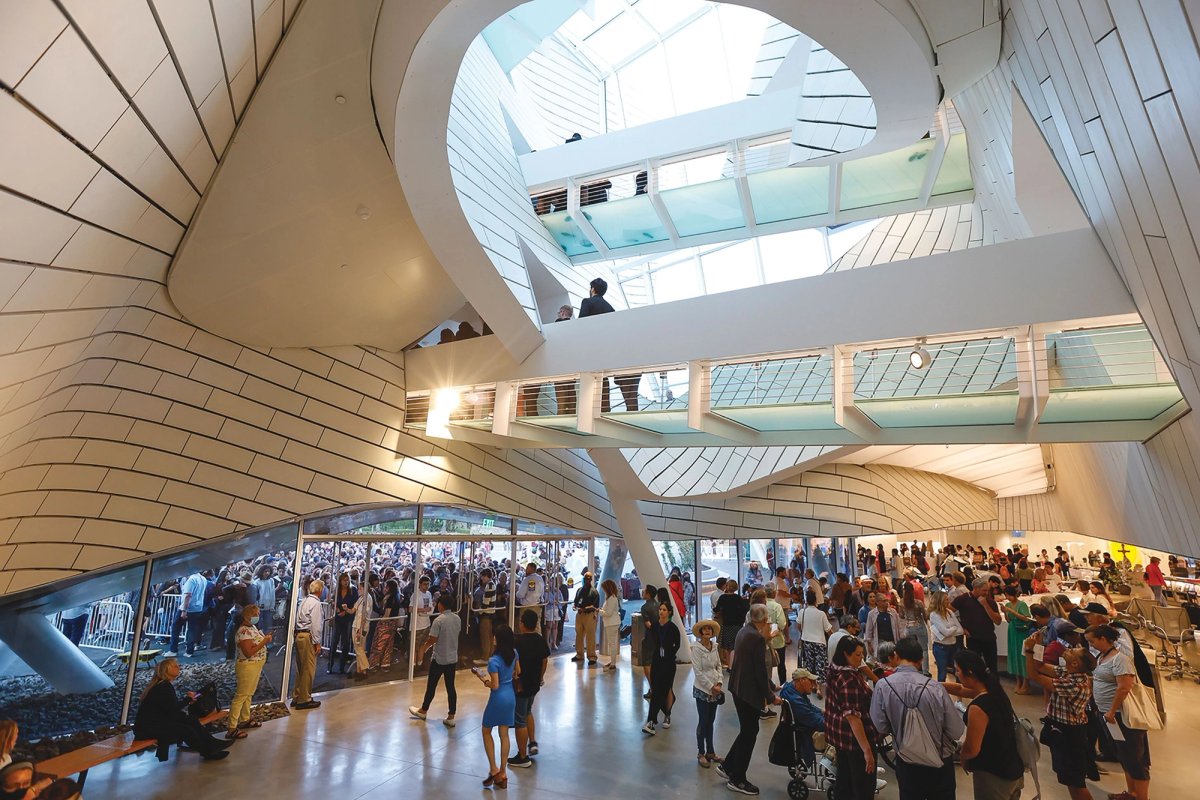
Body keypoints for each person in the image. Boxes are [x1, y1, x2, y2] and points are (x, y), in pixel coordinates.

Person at [869, 636, 964, 800]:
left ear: (896, 656)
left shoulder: (883, 686)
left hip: (907, 761)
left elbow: (880, 726)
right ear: (920, 660)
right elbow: (956, 730)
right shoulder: (935, 688)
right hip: (939, 761)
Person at [1022, 632, 1096, 800]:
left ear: (1075, 663)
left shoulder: (1073, 683)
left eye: (1072, 652)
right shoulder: (1069, 673)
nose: (1069, 649)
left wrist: (1028, 650)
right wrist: (1038, 646)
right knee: (1069, 780)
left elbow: (1034, 675)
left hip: (1070, 735)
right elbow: (1040, 666)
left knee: (1076, 783)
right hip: (1064, 730)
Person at [717, 604, 778, 796]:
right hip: (748, 693)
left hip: (738, 688)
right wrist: (770, 696)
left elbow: (751, 664)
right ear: (762, 620)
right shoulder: (757, 638)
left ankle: (728, 766)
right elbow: (759, 670)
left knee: (747, 730)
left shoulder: (744, 631)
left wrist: (771, 685)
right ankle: (738, 778)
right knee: (750, 733)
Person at [948, 650, 1024, 800]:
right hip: (1012, 767)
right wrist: (931, 684)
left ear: (969, 672)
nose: (956, 674)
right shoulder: (994, 690)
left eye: (957, 670)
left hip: (993, 775)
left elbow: (972, 749)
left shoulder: (978, 707)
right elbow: (960, 689)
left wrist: (963, 757)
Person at [1087, 624, 1151, 800]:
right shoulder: (1103, 656)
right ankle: (1132, 793)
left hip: (1120, 716)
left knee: (1135, 758)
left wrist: (1111, 710)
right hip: (1109, 715)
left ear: (1103, 639)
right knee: (1124, 756)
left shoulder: (1120, 659)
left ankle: (1142, 796)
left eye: (1092, 641)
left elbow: (1124, 687)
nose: (1090, 645)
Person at [133, 658, 232, 761]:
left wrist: (187, 702)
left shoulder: (162, 685)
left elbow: (169, 709)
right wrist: (187, 700)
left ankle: (211, 746)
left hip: (153, 724)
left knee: (191, 721)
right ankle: (209, 750)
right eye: (175, 666)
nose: (179, 667)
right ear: (167, 670)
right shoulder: (163, 687)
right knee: (185, 729)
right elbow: (172, 710)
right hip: (147, 729)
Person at [826, 635, 879, 800]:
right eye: (857, 655)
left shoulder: (834, 670)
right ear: (845, 654)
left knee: (845, 782)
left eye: (862, 654)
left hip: (840, 737)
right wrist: (867, 750)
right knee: (862, 786)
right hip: (854, 741)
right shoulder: (848, 679)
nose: (860, 658)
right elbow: (853, 718)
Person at [578, 278, 640, 411]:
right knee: (603, 377)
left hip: (591, 347)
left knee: (594, 377)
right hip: (606, 349)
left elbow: (580, 324)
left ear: (593, 289)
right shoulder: (610, 308)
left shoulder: (587, 302)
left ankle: (598, 407)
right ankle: (605, 407)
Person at [475, 624, 520, 789]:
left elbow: (494, 685)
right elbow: (518, 672)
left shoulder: (494, 661)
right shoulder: (514, 654)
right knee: (504, 734)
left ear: (499, 640)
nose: (492, 638)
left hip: (498, 698)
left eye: (494, 636)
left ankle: (493, 768)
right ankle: (503, 771)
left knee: (486, 730)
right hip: (510, 697)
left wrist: (483, 679)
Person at [410, 593, 462, 727]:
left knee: (431, 686)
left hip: (439, 658)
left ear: (441, 605)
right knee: (451, 687)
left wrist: (424, 647)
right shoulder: (457, 619)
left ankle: (423, 710)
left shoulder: (439, 620)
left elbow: (433, 639)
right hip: (452, 658)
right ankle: (451, 715)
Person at [508, 609, 550, 768]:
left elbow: (514, 665)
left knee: (519, 720)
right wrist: (540, 677)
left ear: (523, 624)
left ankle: (523, 757)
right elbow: (545, 660)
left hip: (521, 685)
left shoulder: (517, 642)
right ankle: (532, 742)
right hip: (534, 684)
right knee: (528, 711)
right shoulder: (540, 639)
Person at [226, 604, 272, 740]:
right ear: (248, 616)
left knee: (248, 694)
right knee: (241, 695)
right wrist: (264, 641)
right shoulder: (244, 631)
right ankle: (232, 727)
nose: (258, 616)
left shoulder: (252, 628)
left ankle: (244, 719)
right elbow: (248, 652)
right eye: (256, 614)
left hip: (255, 665)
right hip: (247, 666)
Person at [691, 618, 724, 768]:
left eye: (709, 629)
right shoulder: (696, 649)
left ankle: (710, 751)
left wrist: (719, 683)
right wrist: (711, 686)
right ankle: (701, 752)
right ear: (700, 632)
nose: (707, 632)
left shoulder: (715, 647)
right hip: (702, 690)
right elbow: (698, 672)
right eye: (704, 629)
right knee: (703, 721)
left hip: (715, 690)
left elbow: (718, 666)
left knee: (711, 721)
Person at [643, 602, 681, 734]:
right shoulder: (654, 626)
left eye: (664, 610)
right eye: (660, 609)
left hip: (669, 662)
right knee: (656, 689)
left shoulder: (673, 628)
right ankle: (654, 719)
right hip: (657, 660)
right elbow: (651, 640)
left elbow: (677, 644)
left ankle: (659, 717)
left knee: (666, 688)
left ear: (669, 612)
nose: (661, 612)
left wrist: (670, 653)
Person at [952, 578, 1001, 676]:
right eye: (984, 590)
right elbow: (948, 613)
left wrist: (985, 605)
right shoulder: (963, 599)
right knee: (974, 667)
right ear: (976, 588)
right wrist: (961, 628)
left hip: (989, 638)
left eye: (987, 590)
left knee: (992, 667)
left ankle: (994, 687)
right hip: (973, 639)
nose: (987, 593)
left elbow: (998, 621)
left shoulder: (990, 602)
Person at [291, 579, 323, 710]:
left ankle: (297, 696)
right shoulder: (315, 603)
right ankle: (305, 699)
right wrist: (317, 642)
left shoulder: (304, 601)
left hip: (299, 635)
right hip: (307, 636)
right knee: (308, 669)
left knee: (300, 668)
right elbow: (316, 625)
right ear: (320, 590)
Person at [165, 569, 208, 658]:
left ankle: (173, 650)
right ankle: (189, 651)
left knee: (175, 628)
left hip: (187, 608)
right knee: (192, 630)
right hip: (198, 608)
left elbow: (188, 595)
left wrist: (184, 610)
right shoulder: (203, 579)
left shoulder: (191, 580)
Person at [1001, 585, 1033, 693]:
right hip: (1012, 630)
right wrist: (1005, 612)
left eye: (1009, 595)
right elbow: (1009, 619)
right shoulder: (1008, 604)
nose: (1008, 598)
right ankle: (1018, 680)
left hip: (1021, 632)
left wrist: (1009, 610)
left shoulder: (1022, 604)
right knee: (1014, 654)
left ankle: (1025, 682)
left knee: (1022, 656)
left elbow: (1026, 618)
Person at [797, 589, 831, 683]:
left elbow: (798, 626)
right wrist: (833, 638)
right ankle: (819, 686)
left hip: (806, 640)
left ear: (806, 601)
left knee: (809, 663)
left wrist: (804, 632)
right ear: (816, 601)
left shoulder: (802, 612)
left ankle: (812, 683)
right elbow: (828, 630)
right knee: (820, 663)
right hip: (820, 642)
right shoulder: (821, 614)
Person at [927, 591, 962, 682]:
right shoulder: (934, 615)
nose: (948, 601)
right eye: (946, 599)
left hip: (954, 646)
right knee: (942, 673)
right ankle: (941, 692)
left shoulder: (950, 612)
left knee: (957, 671)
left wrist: (950, 630)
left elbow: (961, 630)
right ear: (940, 601)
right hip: (941, 647)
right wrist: (954, 628)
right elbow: (946, 633)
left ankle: (959, 691)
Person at [328, 573, 358, 674]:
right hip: (338, 618)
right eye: (344, 580)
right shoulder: (337, 590)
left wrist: (345, 611)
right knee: (334, 641)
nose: (346, 582)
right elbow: (333, 601)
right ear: (340, 581)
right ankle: (330, 665)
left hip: (348, 618)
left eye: (347, 580)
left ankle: (342, 666)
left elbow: (355, 604)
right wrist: (335, 607)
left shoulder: (353, 590)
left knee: (346, 643)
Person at [715, 580, 749, 668]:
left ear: (727, 586)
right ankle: (736, 663)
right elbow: (745, 609)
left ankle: (729, 665)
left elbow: (717, 609)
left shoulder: (722, 598)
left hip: (727, 623)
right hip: (738, 624)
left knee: (727, 646)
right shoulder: (738, 598)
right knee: (736, 644)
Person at [571, 571, 600, 664]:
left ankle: (592, 656)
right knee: (579, 635)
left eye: (588, 578)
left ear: (591, 580)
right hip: (579, 615)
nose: (586, 580)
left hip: (589, 616)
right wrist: (575, 607)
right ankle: (579, 654)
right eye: (585, 578)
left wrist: (584, 609)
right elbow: (576, 602)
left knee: (590, 636)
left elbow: (595, 606)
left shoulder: (594, 592)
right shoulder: (579, 590)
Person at [764, 583, 788, 686]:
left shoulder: (761, 605)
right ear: (775, 593)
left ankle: (767, 686)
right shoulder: (777, 606)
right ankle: (783, 684)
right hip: (777, 640)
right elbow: (782, 624)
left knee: (765, 665)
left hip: (764, 640)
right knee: (781, 664)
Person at [898, 582, 929, 662]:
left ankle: (914, 668)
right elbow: (925, 615)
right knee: (924, 649)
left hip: (908, 628)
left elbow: (901, 615)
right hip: (919, 626)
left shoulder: (901, 603)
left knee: (911, 649)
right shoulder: (918, 602)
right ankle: (925, 670)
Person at [350, 577, 371, 681]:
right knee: (358, 648)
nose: (358, 590)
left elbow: (364, 616)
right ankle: (360, 670)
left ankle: (365, 668)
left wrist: (360, 629)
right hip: (355, 625)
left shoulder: (368, 599)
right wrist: (346, 609)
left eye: (360, 588)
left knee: (359, 648)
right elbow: (353, 610)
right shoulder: (360, 598)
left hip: (361, 627)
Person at [865, 591, 898, 658]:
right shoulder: (871, 614)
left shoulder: (893, 612)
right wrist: (869, 645)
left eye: (887, 600)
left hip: (892, 641)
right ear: (878, 602)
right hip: (880, 642)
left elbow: (898, 627)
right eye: (884, 601)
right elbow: (869, 630)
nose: (887, 602)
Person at [639, 584, 659, 693]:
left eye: (645, 591)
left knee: (647, 663)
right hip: (660, 638)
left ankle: (653, 688)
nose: (643, 593)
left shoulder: (645, 607)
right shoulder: (659, 605)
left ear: (648, 594)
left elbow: (648, 624)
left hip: (650, 638)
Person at [599, 578, 622, 672]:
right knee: (612, 644)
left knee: (612, 644)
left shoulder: (612, 598)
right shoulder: (611, 598)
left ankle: (613, 664)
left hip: (612, 623)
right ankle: (612, 662)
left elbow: (607, 613)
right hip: (612, 623)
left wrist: (599, 611)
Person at [516, 562, 544, 634]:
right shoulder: (540, 578)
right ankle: (537, 642)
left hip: (526, 606)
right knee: (536, 626)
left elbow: (521, 594)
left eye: (527, 568)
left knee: (525, 627)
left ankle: (526, 643)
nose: (526, 570)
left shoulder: (527, 580)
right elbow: (542, 592)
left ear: (532, 569)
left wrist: (516, 593)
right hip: (537, 606)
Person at [411, 575, 434, 658]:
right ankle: (414, 664)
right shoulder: (415, 595)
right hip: (417, 625)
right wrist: (423, 610)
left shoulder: (429, 593)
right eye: (425, 584)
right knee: (415, 646)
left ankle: (420, 662)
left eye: (428, 584)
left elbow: (430, 607)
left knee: (423, 645)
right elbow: (410, 609)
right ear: (420, 584)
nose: (427, 586)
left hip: (426, 623)